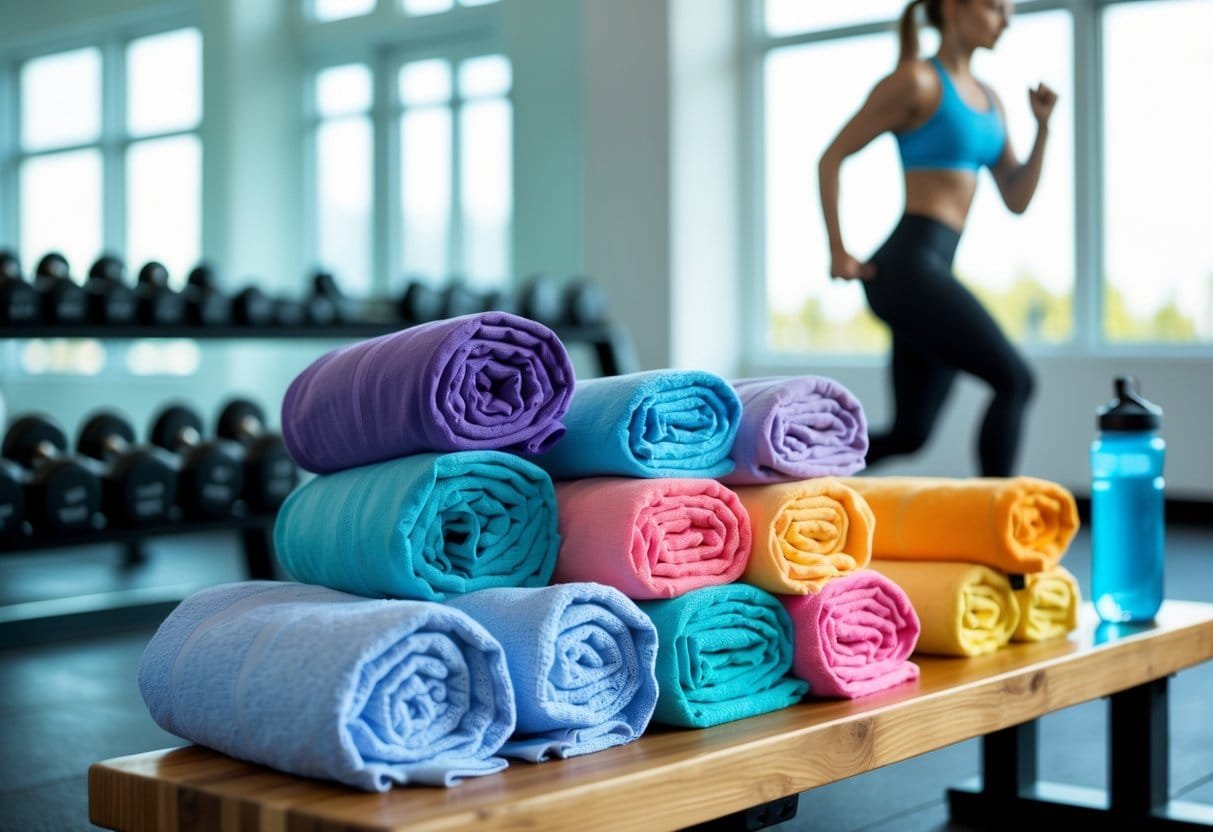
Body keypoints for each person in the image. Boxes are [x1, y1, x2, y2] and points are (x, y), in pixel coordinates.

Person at [818, 0, 1057, 477]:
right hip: (907, 268)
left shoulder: (991, 101)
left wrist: (1043, 129)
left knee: (911, 434)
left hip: (930, 269)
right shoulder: (917, 82)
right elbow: (832, 157)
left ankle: (801, 477)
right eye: (995, 7)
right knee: (1016, 381)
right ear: (953, 7)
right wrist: (838, 250)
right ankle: (997, 533)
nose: (1005, 20)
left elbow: (1016, 196)